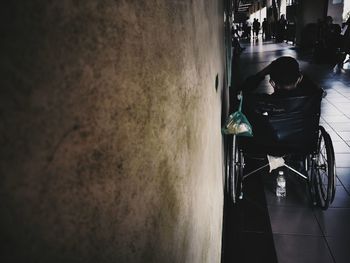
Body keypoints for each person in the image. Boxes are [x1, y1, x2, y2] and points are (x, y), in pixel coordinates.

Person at [241, 56, 323, 97]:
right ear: (299, 79)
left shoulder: (264, 102)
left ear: (272, 82)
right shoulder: (312, 97)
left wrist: (262, 73)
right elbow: (318, 90)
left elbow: (241, 92)